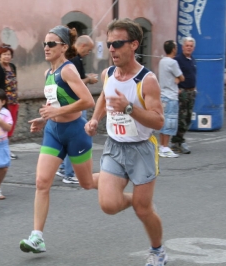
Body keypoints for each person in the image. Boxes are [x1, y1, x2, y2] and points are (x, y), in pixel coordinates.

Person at [84, 18, 168, 266]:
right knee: (109, 205)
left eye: (117, 43)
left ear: (133, 44)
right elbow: (104, 97)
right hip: (114, 146)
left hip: (141, 149)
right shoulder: (108, 73)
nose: (111, 49)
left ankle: (158, 251)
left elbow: (159, 121)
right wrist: (95, 119)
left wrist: (129, 108)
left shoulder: (146, 80)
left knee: (143, 212)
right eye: (109, 44)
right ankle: (138, 198)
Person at [19, 25, 98, 254]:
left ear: (64, 47)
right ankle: (37, 237)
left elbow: (88, 102)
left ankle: (113, 180)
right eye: (45, 43)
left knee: (86, 183)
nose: (46, 47)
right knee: (42, 182)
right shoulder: (48, 73)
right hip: (53, 131)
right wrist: (44, 119)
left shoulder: (68, 70)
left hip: (75, 132)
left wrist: (56, 113)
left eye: (51, 43)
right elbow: (55, 104)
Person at [56, 35, 99, 184]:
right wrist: (89, 80)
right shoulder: (73, 61)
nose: (89, 53)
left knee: (67, 136)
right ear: (82, 46)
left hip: (70, 104)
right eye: (89, 49)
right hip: (76, 104)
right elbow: (76, 83)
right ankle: (70, 173)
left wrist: (86, 77)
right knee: (76, 137)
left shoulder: (74, 60)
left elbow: (77, 79)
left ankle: (62, 168)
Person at [0, 43, 19, 160]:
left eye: (9, 54)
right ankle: (0, 149)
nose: (7, 56)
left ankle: (6, 148)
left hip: (14, 101)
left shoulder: (12, 67)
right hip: (3, 103)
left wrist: (16, 99)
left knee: (10, 126)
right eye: (4, 54)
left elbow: (14, 85)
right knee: (2, 126)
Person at [158, 40, 185, 158]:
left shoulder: (162, 61)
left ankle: (161, 146)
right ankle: (165, 147)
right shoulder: (173, 62)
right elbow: (181, 77)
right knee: (170, 121)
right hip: (171, 96)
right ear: (173, 49)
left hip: (163, 94)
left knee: (163, 120)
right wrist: (178, 80)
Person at [171, 36, 197, 154]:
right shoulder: (177, 60)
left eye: (191, 46)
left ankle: (178, 141)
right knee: (181, 118)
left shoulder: (192, 60)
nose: (189, 48)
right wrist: (177, 89)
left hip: (191, 92)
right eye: (187, 46)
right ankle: (179, 142)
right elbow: (174, 76)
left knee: (188, 118)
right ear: (182, 47)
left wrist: (194, 89)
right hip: (182, 93)